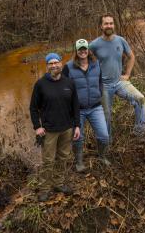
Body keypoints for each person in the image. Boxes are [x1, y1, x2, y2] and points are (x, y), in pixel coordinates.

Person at [29, 52, 81, 202]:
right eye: (50, 63)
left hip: (67, 128)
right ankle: (45, 189)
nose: (53, 66)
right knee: (48, 160)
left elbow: (75, 106)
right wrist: (37, 127)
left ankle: (58, 183)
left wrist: (77, 125)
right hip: (49, 130)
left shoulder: (69, 83)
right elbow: (33, 108)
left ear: (61, 63)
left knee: (63, 157)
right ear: (47, 66)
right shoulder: (40, 84)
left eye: (56, 62)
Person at [89, 13, 145, 139]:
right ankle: (106, 143)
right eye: (106, 23)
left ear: (114, 25)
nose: (109, 25)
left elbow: (131, 56)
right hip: (104, 86)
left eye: (111, 23)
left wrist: (127, 74)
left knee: (140, 99)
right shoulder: (94, 44)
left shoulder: (120, 40)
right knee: (106, 115)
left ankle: (139, 133)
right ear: (101, 26)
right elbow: (82, 59)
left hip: (119, 82)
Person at [63, 39, 110, 172]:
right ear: (76, 51)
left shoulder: (96, 64)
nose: (83, 51)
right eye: (80, 49)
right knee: (78, 137)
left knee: (104, 135)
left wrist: (99, 92)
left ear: (88, 50)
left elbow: (100, 81)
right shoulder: (68, 67)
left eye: (85, 48)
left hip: (96, 107)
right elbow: (64, 87)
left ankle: (102, 157)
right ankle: (79, 162)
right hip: (78, 110)